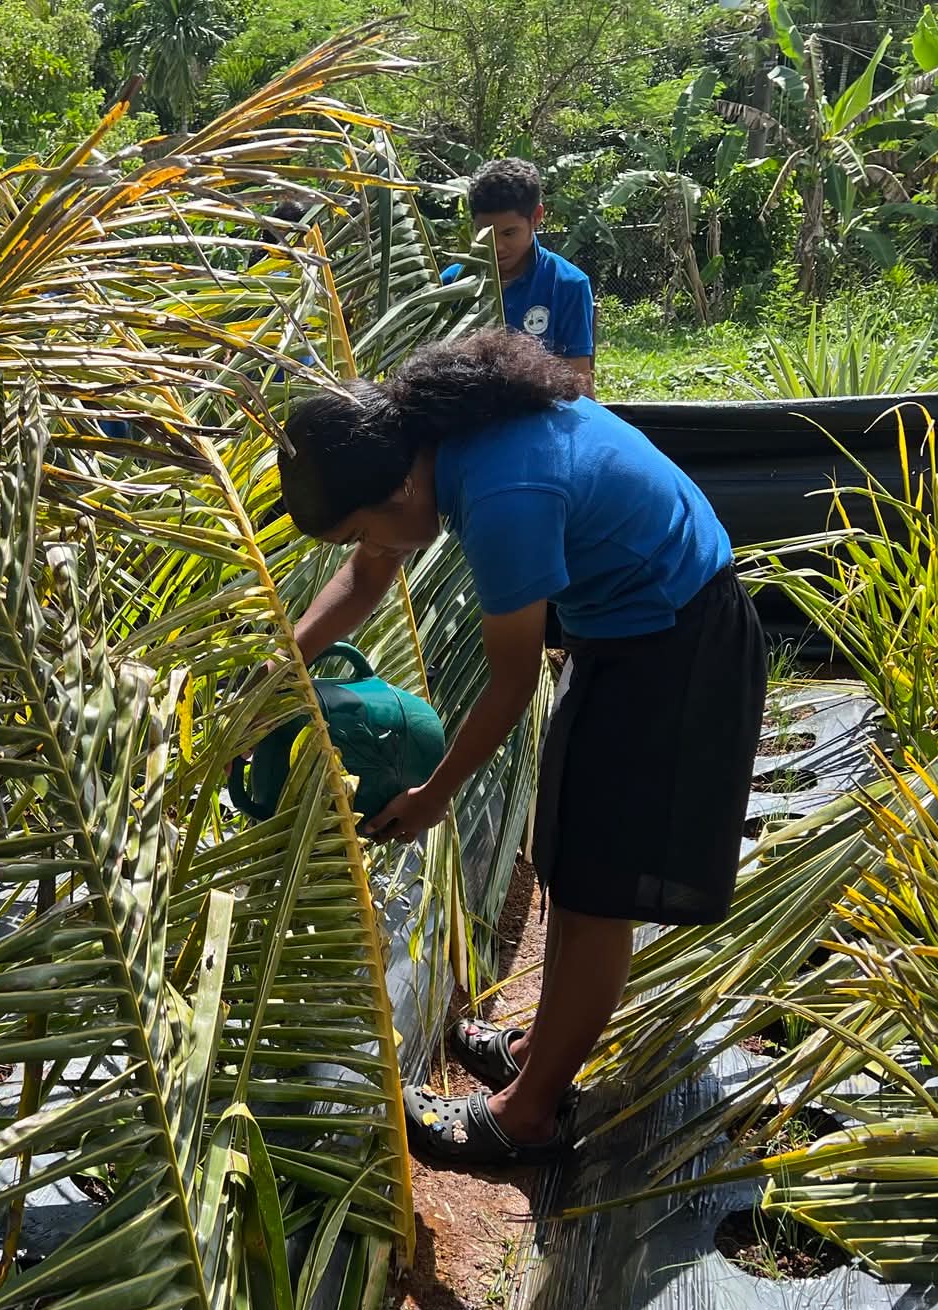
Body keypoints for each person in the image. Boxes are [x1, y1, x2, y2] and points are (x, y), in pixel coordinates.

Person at [276, 330, 764, 1166]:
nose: (376, 542)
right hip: (625, 638)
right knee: (570, 867)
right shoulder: (426, 439)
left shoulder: (503, 491)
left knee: (597, 897)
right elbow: (367, 572)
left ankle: (526, 1113)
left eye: (363, 524)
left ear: (397, 487)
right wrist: (281, 669)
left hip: (678, 655)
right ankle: (537, 1053)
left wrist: (434, 794)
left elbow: (509, 685)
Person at [439, 158, 596, 398]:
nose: (498, 246)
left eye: (509, 233)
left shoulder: (568, 284)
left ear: (537, 216)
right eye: (485, 233)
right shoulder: (450, 284)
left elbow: (579, 386)